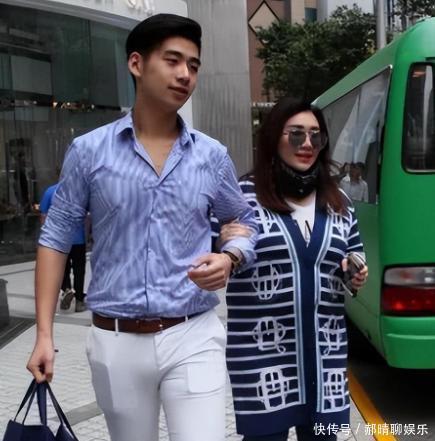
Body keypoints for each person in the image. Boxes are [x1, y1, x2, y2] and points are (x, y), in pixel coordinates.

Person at [26, 13, 257, 441]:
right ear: (136, 64)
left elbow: (240, 219)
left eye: (193, 65)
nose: (185, 74)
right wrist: (44, 334)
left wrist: (231, 257)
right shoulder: (89, 152)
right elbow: (55, 239)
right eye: (173, 60)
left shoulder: (211, 155)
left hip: (192, 332)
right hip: (116, 339)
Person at [217, 98, 368, 441]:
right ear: (274, 137)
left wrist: (355, 273)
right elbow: (218, 254)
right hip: (262, 361)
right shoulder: (242, 197)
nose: (307, 144)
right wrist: (222, 247)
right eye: (296, 134)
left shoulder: (340, 203)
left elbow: (353, 254)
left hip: (325, 359)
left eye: (316, 136)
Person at [39, 184, 87, 313]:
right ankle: (79, 301)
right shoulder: (80, 191)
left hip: (58, 239)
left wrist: (46, 234)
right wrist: (87, 233)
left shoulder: (50, 191)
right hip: (78, 238)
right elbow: (87, 216)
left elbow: (44, 215)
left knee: (61, 268)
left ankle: (66, 289)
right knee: (79, 270)